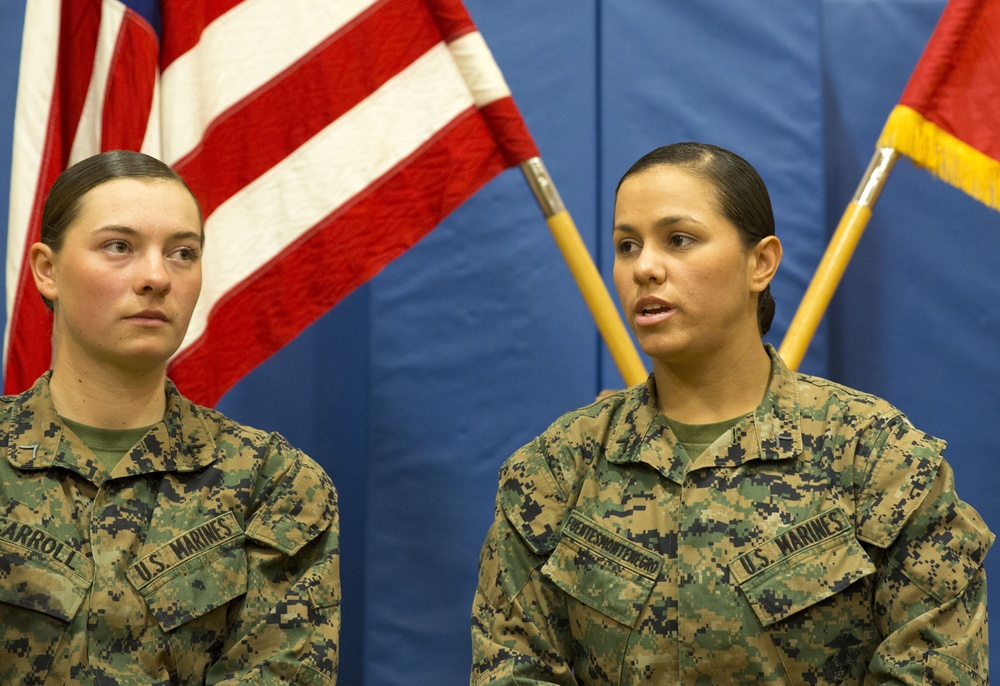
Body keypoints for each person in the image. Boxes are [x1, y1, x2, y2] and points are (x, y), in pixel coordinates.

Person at [470, 142, 993, 685]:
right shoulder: (555, 472)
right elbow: (514, 671)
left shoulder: (881, 462)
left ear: (760, 263)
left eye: (679, 239)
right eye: (627, 246)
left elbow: (934, 673)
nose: (644, 267)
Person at [0, 150, 341, 685]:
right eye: (119, 247)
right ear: (48, 271)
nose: (156, 277)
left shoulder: (272, 483)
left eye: (183, 253)